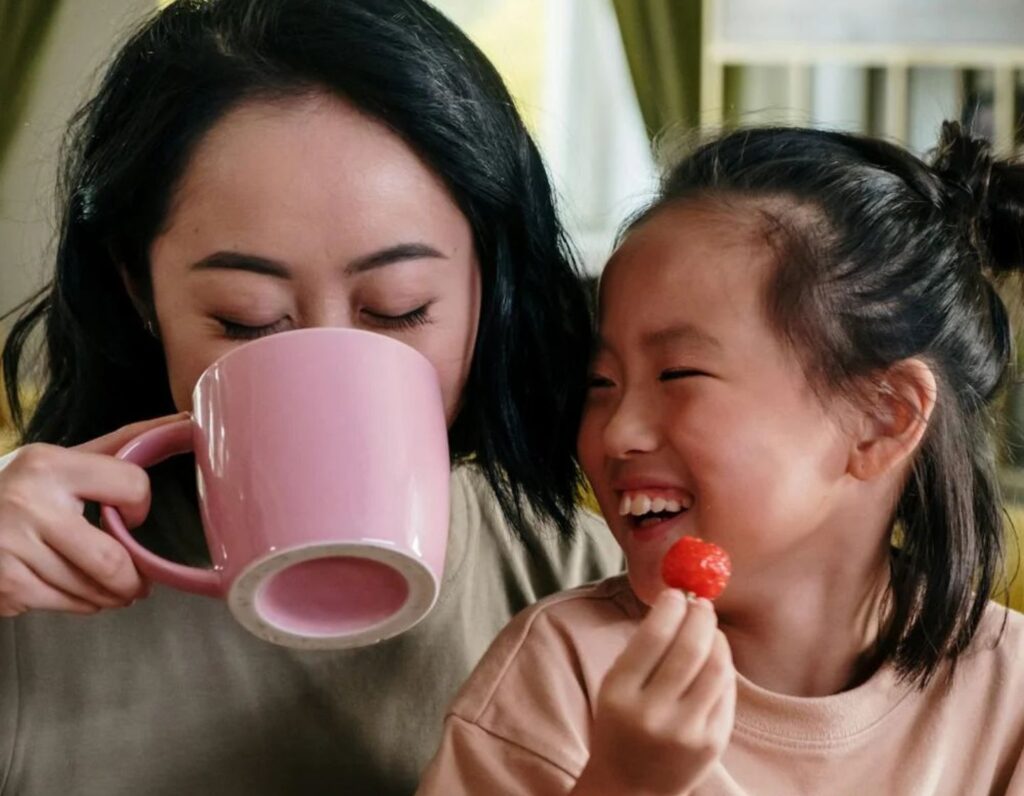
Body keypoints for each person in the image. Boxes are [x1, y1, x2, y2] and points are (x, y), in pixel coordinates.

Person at [0, 1, 623, 793]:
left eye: (399, 308)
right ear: (140, 295)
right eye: (245, 320)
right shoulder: (27, 591)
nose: (335, 370)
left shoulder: (579, 581)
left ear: (486, 285)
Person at [418, 122, 1024, 794]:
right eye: (601, 383)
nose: (617, 431)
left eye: (678, 374)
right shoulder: (563, 675)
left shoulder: (1010, 696)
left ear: (883, 419)